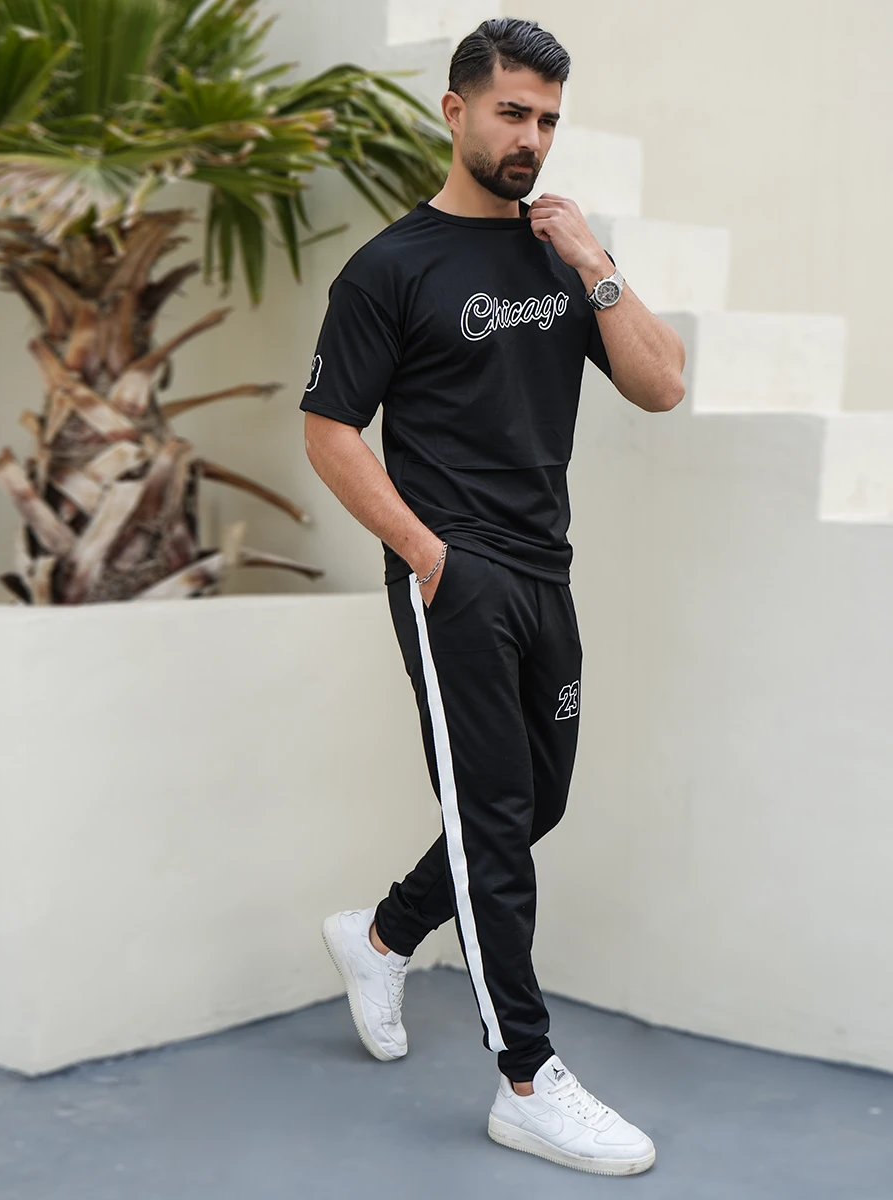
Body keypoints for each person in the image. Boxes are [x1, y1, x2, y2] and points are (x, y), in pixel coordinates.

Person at [301, 16, 684, 1176]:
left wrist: (594, 261)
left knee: (532, 801)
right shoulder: (391, 268)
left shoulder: (558, 253)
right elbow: (329, 433)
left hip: (545, 570)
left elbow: (662, 385)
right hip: (454, 580)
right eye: (513, 113)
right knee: (496, 826)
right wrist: (430, 556)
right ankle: (527, 1078)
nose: (532, 138)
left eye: (548, 120)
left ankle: (382, 936)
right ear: (456, 111)